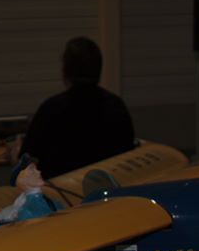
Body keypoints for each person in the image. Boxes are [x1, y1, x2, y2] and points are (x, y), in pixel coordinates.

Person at [15, 36, 135, 179]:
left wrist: (15, 151)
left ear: (64, 71)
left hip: (60, 190)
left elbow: (26, 163)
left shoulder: (51, 109)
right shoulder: (116, 107)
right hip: (109, 190)